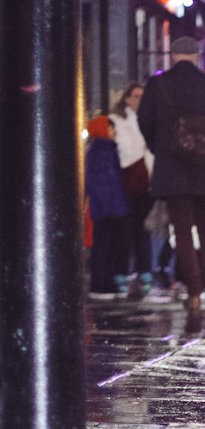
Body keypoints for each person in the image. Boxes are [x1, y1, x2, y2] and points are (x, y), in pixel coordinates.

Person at [137, 32, 205, 321]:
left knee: (182, 231)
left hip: (172, 168)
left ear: (172, 56)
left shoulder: (158, 85)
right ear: (197, 57)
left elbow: (144, 121)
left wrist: (160, 147)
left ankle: (194, 291)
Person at [111, 82, 154, 293]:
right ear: (127, 98)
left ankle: (144, 269)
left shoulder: (147, 119)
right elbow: (126, 150)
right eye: (136, 96)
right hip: (127, 180)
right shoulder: (118, 121)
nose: (139, 101)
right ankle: (122, 270)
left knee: (141, 227)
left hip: (145, 181)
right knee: (126, 228)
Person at [84, 116, 130, 299]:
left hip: (107, 207)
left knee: (106, 245)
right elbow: (105, 182)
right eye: (112, 128)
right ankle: (101, 283)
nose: (115, 131)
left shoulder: (101, 150)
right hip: (108, 208)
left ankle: (104, 282)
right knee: (105, 245)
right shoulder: (103, 151)